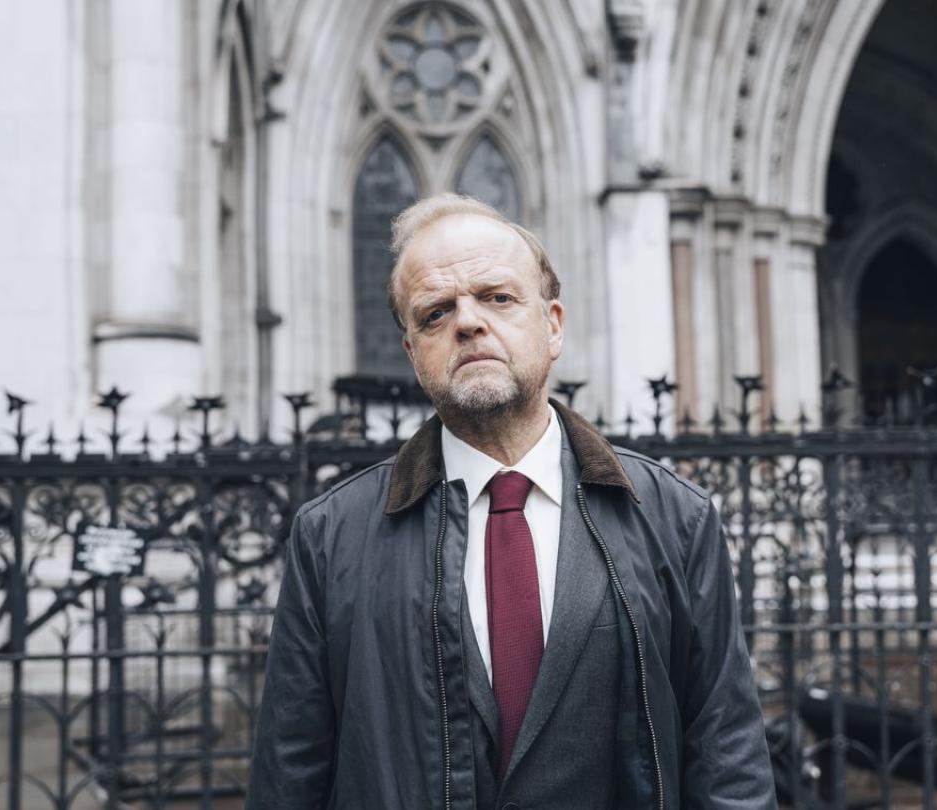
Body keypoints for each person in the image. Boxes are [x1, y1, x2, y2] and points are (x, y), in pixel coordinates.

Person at [246, 193, 775, 809]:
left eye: (497, 297)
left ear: (552, 325)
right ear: (414, 355)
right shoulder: (331, 536)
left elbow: (726, 751)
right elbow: (291, 772)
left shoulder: (675, 517)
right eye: (436, 312)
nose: (468, 322)